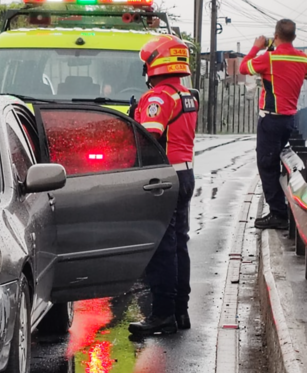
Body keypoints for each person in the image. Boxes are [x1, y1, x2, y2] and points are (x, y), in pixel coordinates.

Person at [128, 35, 198, 336]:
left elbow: (149, 136)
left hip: (163, 177)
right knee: (179, 244)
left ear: (155, 63)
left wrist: (133, 119)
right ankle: (180, 311)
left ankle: (162, 315)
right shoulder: (188, 95)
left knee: (162, 248)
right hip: (184, 174)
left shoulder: (157, 98)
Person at [239, 19, 307, 230]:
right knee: (279, 162)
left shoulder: (269, 58)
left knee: (266, 165)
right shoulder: (302, 59)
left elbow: (243, 67)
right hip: (289, 120)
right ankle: (282, 207)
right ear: (294, 37)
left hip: (270, 119)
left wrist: (257, 47)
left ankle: (277, 214)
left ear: (275, 36)